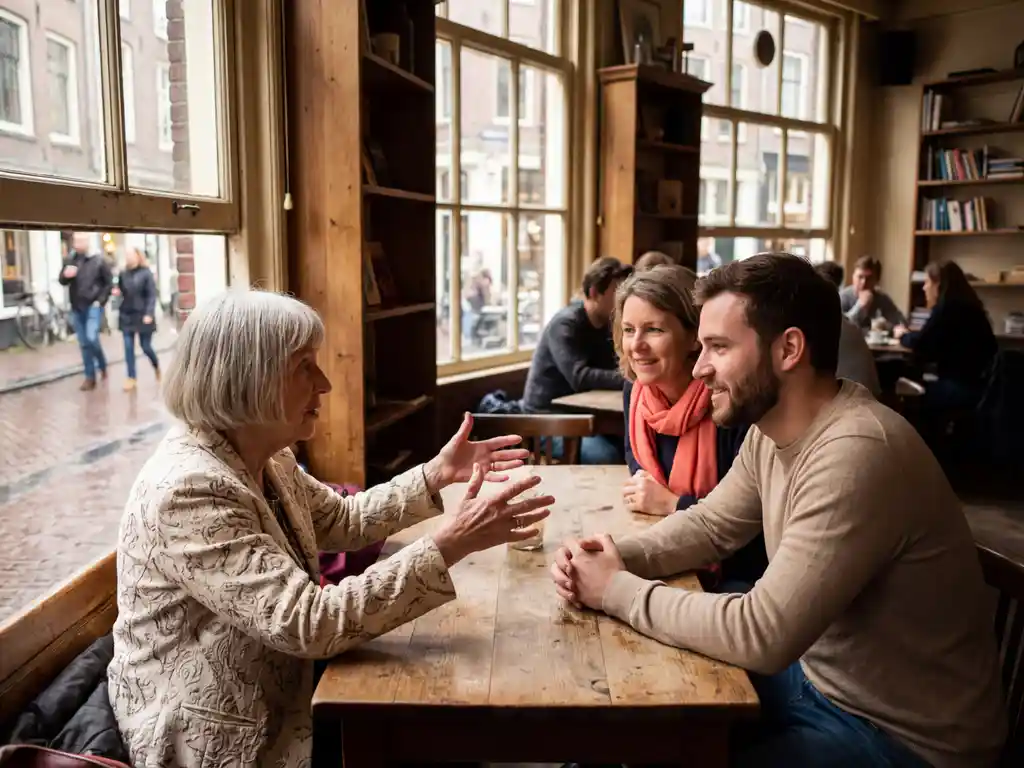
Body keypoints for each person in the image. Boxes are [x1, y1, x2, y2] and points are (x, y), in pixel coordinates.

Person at [551, 253, 1005, 768]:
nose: (699, 368)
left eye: (718, 348)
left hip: (900, 736)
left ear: (789, 348)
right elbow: (710, 524)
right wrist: (613, 555)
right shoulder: (773, 429)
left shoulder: (858, 451)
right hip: (817, 678)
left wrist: (614, 588)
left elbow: (760, 631)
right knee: (631, 731)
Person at [108, 289, 553, 768]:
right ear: (247, 378)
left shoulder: (265, 453)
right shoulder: (189, 489)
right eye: (304, 367)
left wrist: (435, 473)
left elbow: (344, 521)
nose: (324, 384)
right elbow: (308, 623)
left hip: (283, 696)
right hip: (217, 739)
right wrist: (450, 543)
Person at [615, 264, 766, 584]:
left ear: (694, 338)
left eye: (654, 330)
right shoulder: (636, 391)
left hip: (736, 574)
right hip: (662, 546)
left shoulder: (730, 401)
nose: (636, 345)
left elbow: (755, 522)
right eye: (629, 330)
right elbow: (638, 470)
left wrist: (673, 504)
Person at [522, 256, 633, 464]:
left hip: (587, 415)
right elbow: (579, 377)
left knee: (634, 448)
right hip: (548, 419)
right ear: (593, 293)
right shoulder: (565, 324)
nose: (623, 301)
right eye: (617, 293)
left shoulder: (607, 325)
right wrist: (630, 378)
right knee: (607, 456)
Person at [894, 261, 997, 411]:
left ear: (938, 284)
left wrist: (902, 335)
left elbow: (921, 344)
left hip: (959, 387)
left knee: (906, 391)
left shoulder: (947, 309)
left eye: (927, 282)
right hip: (984, 387)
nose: (924, 287)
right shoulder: (973, 308)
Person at [814, 261, 881, 397]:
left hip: (855, 402)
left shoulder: (820, 322)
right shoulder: (841, 306)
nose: (864, 282)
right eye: (860, 277)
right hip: (869, 398)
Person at [58, 231, 113, 391]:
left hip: (92, 306)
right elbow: (62, 280)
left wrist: (100, 301)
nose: (78, 244)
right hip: (77, 307)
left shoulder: (98, 260)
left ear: (87, 242)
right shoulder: (70, 260)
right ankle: (90, 377)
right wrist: (65, 275)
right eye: (76, 241)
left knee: (91, 338)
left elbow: (108, 284)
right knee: (83, 343)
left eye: (81, 241)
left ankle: (101, 364)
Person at [117, 247, 160, 391]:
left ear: (138, 257)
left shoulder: (146, 273)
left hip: (143, 315)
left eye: (131, 255)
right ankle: (131, 377)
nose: (128, 258)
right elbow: (122, 291)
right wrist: (117, 292)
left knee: (145, 346)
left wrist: (149, 313)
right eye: (127, 255)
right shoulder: (123, 274)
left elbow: (151, 295)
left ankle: (156, 366)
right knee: (128, 347)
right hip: (127, 315)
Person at [840, 255, 906, 331]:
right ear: (853, 276)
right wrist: (861, 306)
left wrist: (887, 325)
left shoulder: (882, 298)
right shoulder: (842, 297)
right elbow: (841, 328)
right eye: (860, 277)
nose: (864, 282)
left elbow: (901, 322)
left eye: (869, 278)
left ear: (877, 280)